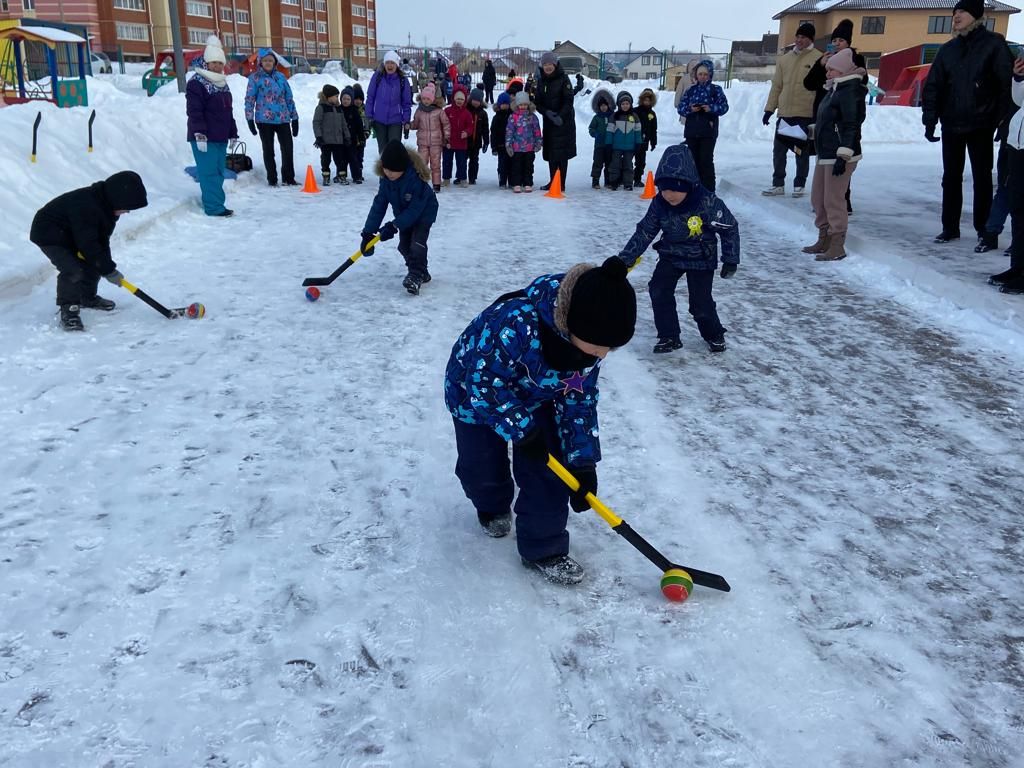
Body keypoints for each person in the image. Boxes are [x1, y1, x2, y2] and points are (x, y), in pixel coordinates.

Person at [443, 257, 637, 586]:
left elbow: (579, 401)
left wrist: (582, 461)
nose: (602, 356)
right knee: (481, 465)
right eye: (598, 347)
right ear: (573, 324)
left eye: (609, 349)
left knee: (550, 469)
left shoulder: (591, 345)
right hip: (475, 392)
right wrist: (522, 431)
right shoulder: (514, 321)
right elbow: (484, 384)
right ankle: (491, 504)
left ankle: (544, 547)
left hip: (541, 396)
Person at [617, 145, 739, 355]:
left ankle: (714, 334)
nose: (669, 195)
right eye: (664, 189)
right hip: (671, 254)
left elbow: (729, 228)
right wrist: (624, 260)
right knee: (658, 289)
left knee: (699, 303)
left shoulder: (707, 202)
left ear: (689, 186)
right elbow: (645, 231)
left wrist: (731, 259)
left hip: (701, 256)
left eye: (675, 189)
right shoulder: (659, 203)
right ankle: (669, 336)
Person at [922, 0, 1014, 245]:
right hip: (951, 123)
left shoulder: (994, 45)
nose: (956, 16)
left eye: (961, 11)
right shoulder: (948, 49)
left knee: (982, 178)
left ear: (976, 16)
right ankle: (949, 227)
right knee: (950, 177)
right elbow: (934, 86)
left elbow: (1006, 85)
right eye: (954, 12)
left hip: (981, 123)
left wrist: (1002, 121)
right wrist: (930, 120)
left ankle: (985, 231)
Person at [29, 171, 148, 331]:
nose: (127, 212)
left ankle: (87, 298)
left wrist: (107, 267)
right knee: (73, 270)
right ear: (117, 198)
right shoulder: (87, 206)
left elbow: (100, 242)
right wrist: (107, 269)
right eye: (126, 208)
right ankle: (69, 310)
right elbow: (89, 245)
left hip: (71, 232)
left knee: (94, 263)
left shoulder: (106, 209)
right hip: (49, 233)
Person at [801, 48, 867, 261]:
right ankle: (824, 238)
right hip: (826, 152)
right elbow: (829, 121)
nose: (827, 73)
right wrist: (813, 130)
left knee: (833, 199)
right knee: (818, 198)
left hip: (839, 155)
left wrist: (844, 154)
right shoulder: (834, 90)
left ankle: (837, 244)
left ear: (843, 70)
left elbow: (851, 124)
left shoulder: (850, 90)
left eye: (832, 70)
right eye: (827, 69)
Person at [803, 19, 867, 214]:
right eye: (835, 40)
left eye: (841, 40)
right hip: (825, 112)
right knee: (824, 161)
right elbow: (809, 83)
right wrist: (821, 65)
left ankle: (841, 201)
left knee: (841, 161)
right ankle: (825, 204)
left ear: (848, 42)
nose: (837, 43)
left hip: (843, 116)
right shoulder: (825, 60)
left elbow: (860, 85)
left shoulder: (855, 61)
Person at [360, 140, 439, 295]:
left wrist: (394, 225)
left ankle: (415, 276)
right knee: (404, 246)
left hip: (424, 214)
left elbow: (415, 210)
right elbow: (379, 205)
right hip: (404, 215)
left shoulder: (416, 181)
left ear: (402, 168)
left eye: (392, 170)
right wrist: (368, 233)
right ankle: (421, 272)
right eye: (386, 169)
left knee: (417, 244)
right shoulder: (386, 180)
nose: (388, 173)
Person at [762, 23, 820, 197]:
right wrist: (769, 109)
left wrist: (817, 114)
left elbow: (821, 89)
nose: (799, 40)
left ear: (811, 39)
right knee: (778, 150)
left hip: (805, 113)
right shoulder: (785, 59)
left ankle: (799, 184)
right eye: (798, 36)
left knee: (800, 151)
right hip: (785, 113)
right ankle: (778, 184)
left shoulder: (819, 58)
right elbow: (777, 86)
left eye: (804, 37)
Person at [185, 35, 237, 216]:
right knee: (209, 174)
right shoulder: (196, 83)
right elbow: (194, 110)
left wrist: (233, 133)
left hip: (221, 136)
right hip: (204, 137)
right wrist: (199, 133)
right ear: (206, 63)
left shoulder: (223, 84)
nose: (217, 66)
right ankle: (214, 207)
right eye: (213, 62)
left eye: (220, 63)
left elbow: (228, 111)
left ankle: (217, 204)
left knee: (218, 172)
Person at [244, 48, 299, 187]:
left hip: (283, 118)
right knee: (268, 150)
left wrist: (295, 118)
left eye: (271, 60)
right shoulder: (254, 78)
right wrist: (249, 118)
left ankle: (288, 178)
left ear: (275, 62)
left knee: (287, 149)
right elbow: (250, 99)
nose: (268, 63)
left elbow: (288, 97)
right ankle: (272, 178)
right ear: (260, 62)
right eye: (265, 60)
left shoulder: (280, 77)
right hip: (264, 120)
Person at [995, 54, 1024, 294]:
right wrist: (1018, 77)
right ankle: (1017, 267)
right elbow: (1019, 100)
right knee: (1018, 209)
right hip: (1018, 144)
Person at [677, 60, 729, 192]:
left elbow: (724, 107)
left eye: (705, 74)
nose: (703, 77)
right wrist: (691, 109)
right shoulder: (690, 90)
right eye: (700, 74)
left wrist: (710, 108)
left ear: (710, 74)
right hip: (692, 131)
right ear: (696, 75)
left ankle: (708, 190)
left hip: (708, 132)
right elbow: (681, 108)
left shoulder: (715, 90)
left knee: (706, 160)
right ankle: (694, 187)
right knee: (693, 161)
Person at [533, 52, 576, 190]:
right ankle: (553, 181)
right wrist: (546, 113)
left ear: (555, 65)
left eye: (550, 64)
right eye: (545, 64)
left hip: (564, 122)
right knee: (551, 152)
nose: (547, 67)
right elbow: (537, 102)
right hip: (549, 122)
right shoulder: (541, 81)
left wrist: (560, 116)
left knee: (562, 153)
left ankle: (561, 183)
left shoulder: (564, 79)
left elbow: (569, 100)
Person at [366, 51, 413, 154]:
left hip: (395, 121)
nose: (390, 65)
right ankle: (383, 170)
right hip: (379, 120)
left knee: (394, 150)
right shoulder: (377, 77)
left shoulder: (402, 80)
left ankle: (394, 170)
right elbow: (370, 97)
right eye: (387, 63)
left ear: (396, 65)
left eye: (392, 63)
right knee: (383, 150)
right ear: (384, 64)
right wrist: (369, 116)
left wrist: (406, 121)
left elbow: (406, 103)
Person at [410, 82, 450, 192]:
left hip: (436, 142)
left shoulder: (439, 112)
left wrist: (447, 136)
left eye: (428, 99)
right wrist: (410, 125)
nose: (426, 101)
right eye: (424, 99)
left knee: (435, 163)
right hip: (422, 142)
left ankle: (436, 184)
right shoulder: (419, 111)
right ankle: (421, 183)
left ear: (433, 99)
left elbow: (446, 124)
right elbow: (416, 124)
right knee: (422, 163)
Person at [313, 84, 352, 186]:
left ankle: (341, 176)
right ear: (328, 97)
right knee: (326, 159)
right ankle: (326, 176)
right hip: (325, 140)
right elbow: (316, 123)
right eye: (335, 96)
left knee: (340, 159)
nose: (337, 99)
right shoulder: (321, 108)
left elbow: (344, 124)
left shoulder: (339, 108)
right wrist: (318, 137)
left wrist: (347, 136)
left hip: (338, 140)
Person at [506, 90, 543, 192]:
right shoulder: (513, 117)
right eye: (521, 104)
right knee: (516, 166)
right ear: (517, 105)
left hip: (529, 147)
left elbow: (537, 131)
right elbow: (509, 131)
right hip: (517, 147)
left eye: (525, 104)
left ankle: (528, 183)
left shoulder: (532, 117)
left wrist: (538, 143)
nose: (523, 106)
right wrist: (508, 145)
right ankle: (516, 183)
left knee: (528, 167)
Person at [606, 90, 642, 191]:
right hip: (616, 146)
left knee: (628, 165)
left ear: (630, 104)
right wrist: (608, 143)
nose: (625, 106)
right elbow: (609, 131)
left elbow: (638, 131)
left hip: (629, 147)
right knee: (615, 165)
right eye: (623, 104)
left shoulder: (634, 116)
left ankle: (628, 183)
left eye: (627, 103)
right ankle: (614, 182)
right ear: (619, 104)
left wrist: (638, 142)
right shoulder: (614, 116)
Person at [443, 86, 473, 186]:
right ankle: (446, 178)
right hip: (449, 142)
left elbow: (470, 126)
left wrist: (467, 132)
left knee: (461, 162)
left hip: (461, 142)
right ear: (454, 99)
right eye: (458, 99)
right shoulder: (447, 111)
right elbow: (442, 124)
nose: (459, 101)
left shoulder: (467, 113)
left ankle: (462, 178)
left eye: (461, 99)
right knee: (447, 161)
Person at [588, 88, 614, 188]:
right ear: (599, 107)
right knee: (598, 163)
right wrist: (595, 134)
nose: (603, 108)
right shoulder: (597, 117)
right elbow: (591, 128)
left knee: (608, 164)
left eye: (605, 105)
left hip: (609, 145)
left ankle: (607, 181)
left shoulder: (612, 116)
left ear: (608, 106)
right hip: (599, 145)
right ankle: (595, 181)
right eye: (601, 106)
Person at [632, 88, 658, 187]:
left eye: (649, 100)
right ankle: (625, 177)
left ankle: (637, 178)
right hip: (633, 140)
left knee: (641, 162)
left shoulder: (652, 114)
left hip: (644, 142)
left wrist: (653, 142)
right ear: (641, 100)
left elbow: (653, 129)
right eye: (645, 100)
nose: (646, 102)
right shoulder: (635, 111)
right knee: (628, 159)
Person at [467, 88, 490, 185]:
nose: (476, 103)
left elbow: (485, 129)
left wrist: (486, 142)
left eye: (478, 101)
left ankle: (472, 178)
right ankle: (461, 177)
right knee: (462, 160)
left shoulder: (483, 113)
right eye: (474, 100)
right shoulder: (466, 110)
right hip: (466, 141)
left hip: (476, 142)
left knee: (474, 160)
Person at [490, 91, 513, 188]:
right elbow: (493, 133)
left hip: (511, 145)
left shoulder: (512, 116)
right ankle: (502, 181)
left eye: (507, 104)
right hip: (500, 145)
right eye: (503, 104)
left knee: (511, 164)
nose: (505, 106)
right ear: (499, 105)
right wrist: (494, 147)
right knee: (502, 164)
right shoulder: (496, 118)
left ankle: (512, 181)